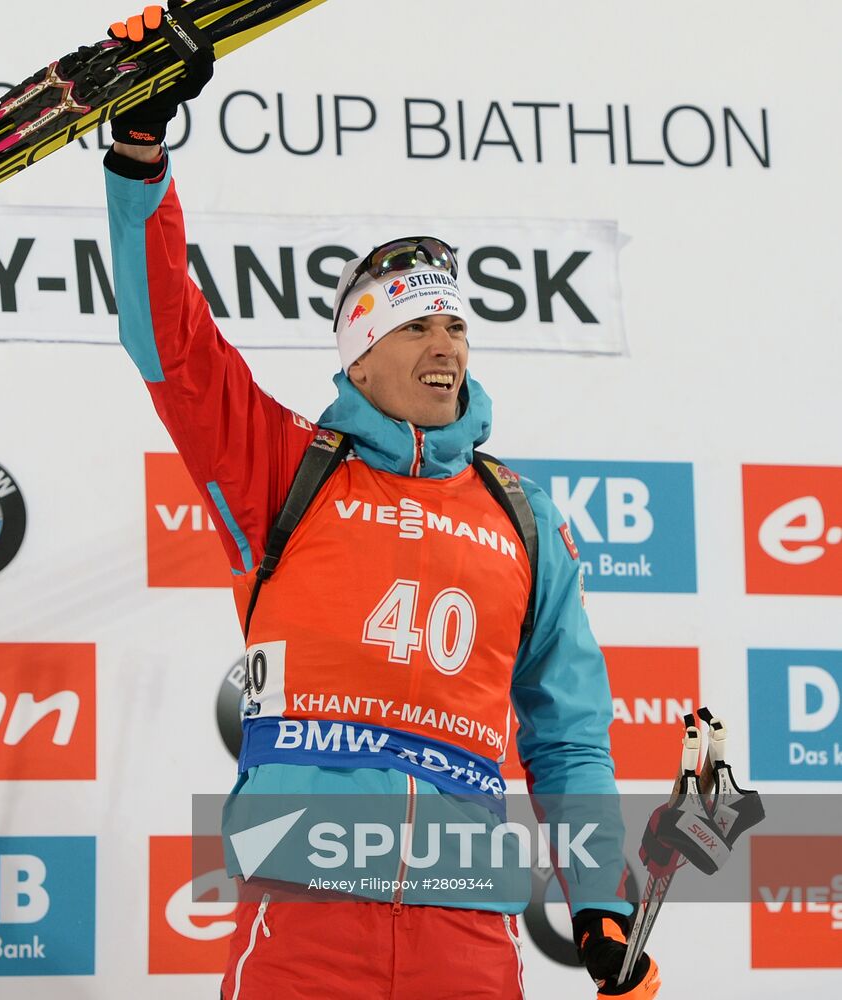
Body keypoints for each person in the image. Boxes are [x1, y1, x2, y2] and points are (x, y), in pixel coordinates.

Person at [102, 8, 661, 999]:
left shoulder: (522, 516)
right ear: (357, 351)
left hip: (466, 924)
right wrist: (139, 158)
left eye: (455, 324)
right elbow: (172, 344)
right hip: (302, 911)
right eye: (414, 325)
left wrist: (600, 903)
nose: (444, 345)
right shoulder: (284, 467)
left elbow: (566, 731)